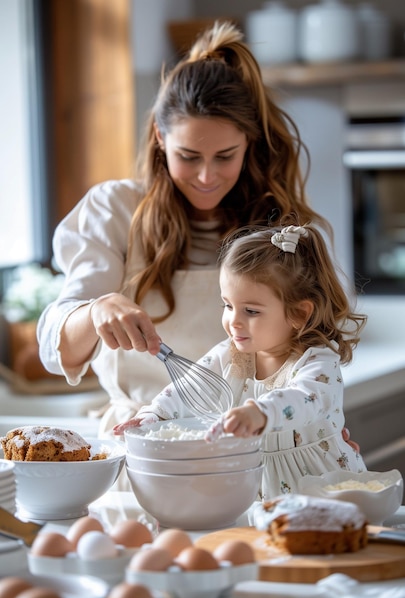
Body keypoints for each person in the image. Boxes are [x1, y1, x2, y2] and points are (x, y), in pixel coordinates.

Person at [38, 20, 336, 444]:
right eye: (189, 155)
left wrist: (317, 425)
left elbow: (309, 352)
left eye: (224, 156)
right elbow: (57, 348)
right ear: (160, 137)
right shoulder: (116, 211)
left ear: (249, 143)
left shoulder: (274, 226)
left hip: (246, 448)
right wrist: (96, 309)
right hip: (142, 443)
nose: (206, 176)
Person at [114, 224, 367, 499]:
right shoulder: (231, 354)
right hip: (254, 486)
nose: (233, 320)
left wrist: (260, 413)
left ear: (299, 313)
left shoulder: (317, 361)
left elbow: (304, 398)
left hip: (321, 488)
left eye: (250, 310)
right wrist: (153, 415)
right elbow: (188, 389)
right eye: (228, 305)